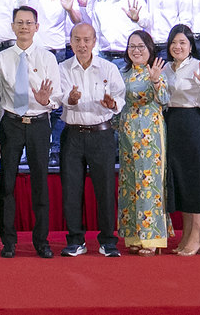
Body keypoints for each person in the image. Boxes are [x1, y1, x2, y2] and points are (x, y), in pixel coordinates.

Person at [0, 5, 61, 258]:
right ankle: (8, 242)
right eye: (19, 23)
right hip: (11, 123)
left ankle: (41, 241)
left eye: (29, 23)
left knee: (40, 184)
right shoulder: (1, 58)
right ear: (12, 27)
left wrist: (46, 101)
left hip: (39, 123)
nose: (24, 27)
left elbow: (58, 97)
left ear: (37, 27)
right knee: (6, 184)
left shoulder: (48, 58)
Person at [56, 22, 125, 257]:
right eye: (77, 40)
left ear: (94, 42)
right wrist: (71, 99)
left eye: (87, 40)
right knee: (71, 189)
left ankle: (108, 241)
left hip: (101, 134)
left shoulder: (108, 68)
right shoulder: (63, 68)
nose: (82, 45)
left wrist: (112, 104)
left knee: (105, 189)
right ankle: (75, 240)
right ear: (70, 42)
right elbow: (59, 97)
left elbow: (120, 97)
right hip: (73, 134)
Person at [162, 26, 200, 255]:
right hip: (171, 122)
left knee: (196, 179)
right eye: (174, 42)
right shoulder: (164, 68)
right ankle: (186, 235)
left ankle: (197, 236)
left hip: (193, 122)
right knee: (180, 179)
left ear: (191, 46)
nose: (178, 47)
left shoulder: (199, 66)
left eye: (182, 43)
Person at [116, 29, 169, 255]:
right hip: (127, 134)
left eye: (140, 46)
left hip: (150, 133)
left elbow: (165, 100)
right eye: (132, 46)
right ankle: (134, 236)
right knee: (130, 183)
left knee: (149, 182)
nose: (136, 51)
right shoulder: (122, 73)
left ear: (150, 49)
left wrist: (155, 80)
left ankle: (152, 237)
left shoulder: (156, 71)